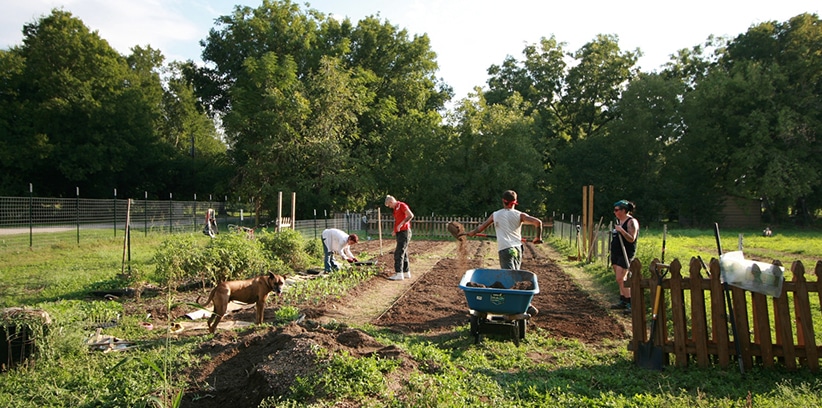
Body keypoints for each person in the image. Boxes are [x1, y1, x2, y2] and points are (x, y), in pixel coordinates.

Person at [468, 190, 544, 270]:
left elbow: (481, 228)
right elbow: (538, 222)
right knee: (515, 273)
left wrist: (471, 233)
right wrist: (538, 238)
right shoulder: (520, 215)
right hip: (517, 248)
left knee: (508, 275)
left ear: (503, 201)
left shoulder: (495, 215)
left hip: (505, 249)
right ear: (515, 201)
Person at [610, 199, 639, 314]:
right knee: (620, 279)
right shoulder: (619, 222)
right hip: (616, 252)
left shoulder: (632, 222)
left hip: (625, 253)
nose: (615, 212)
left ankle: (631, 303)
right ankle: (623, 300)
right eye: (614, 210)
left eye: (617, 210)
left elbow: (632, 239)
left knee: (620, 278)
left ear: (624, 210)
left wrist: (621, 231)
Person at [385, 195, 414, 281]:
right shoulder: (395, 209)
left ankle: (399, 273)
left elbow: (410, 215)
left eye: (389, 205)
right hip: (400, 232)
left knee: (398, 253)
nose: (390, 207)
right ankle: (406, 272)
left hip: (405, 232)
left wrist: (401, 224)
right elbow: (397, 220)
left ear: (391, 202)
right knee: (403, 253)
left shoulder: (402, 205)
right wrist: (395, 230)